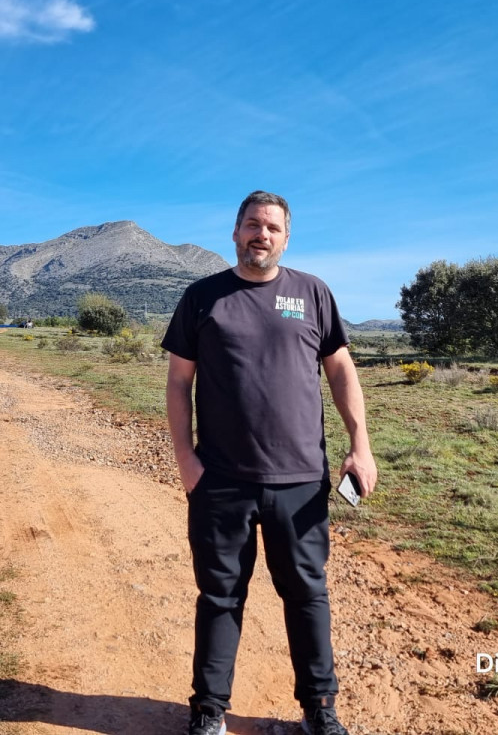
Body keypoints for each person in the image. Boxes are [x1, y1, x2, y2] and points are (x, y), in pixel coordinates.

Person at [162, 190, 378, 735]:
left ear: (286, 237)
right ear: (235, 232)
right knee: (219, 595)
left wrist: (361, 443)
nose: (262, 234)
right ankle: (208, 711)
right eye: (253, 225)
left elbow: (341, 371)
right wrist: (186, 458)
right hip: (220, 479)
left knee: (307, 593)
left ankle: (320, 712)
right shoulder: (202, 297)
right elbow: (179, 382)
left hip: (301, 480)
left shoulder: (312, 294)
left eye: (273, 227)